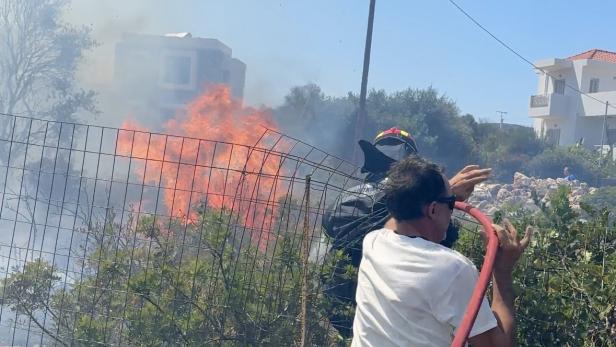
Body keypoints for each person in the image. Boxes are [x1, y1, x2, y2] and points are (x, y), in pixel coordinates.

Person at [321, 127, 491, 338]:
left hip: (360, 314)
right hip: (360, 312)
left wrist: (437, 200)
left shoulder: (369, 226)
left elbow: (440, 235)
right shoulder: (360, 208)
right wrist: (439, 196)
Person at [352, 156, 533, 347]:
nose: (453, 209)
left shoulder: (374, 242)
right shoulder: (453, 269)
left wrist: (445, 196)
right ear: (432, 210)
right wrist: (502, 271)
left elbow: (396, 220)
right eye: (451, 204)